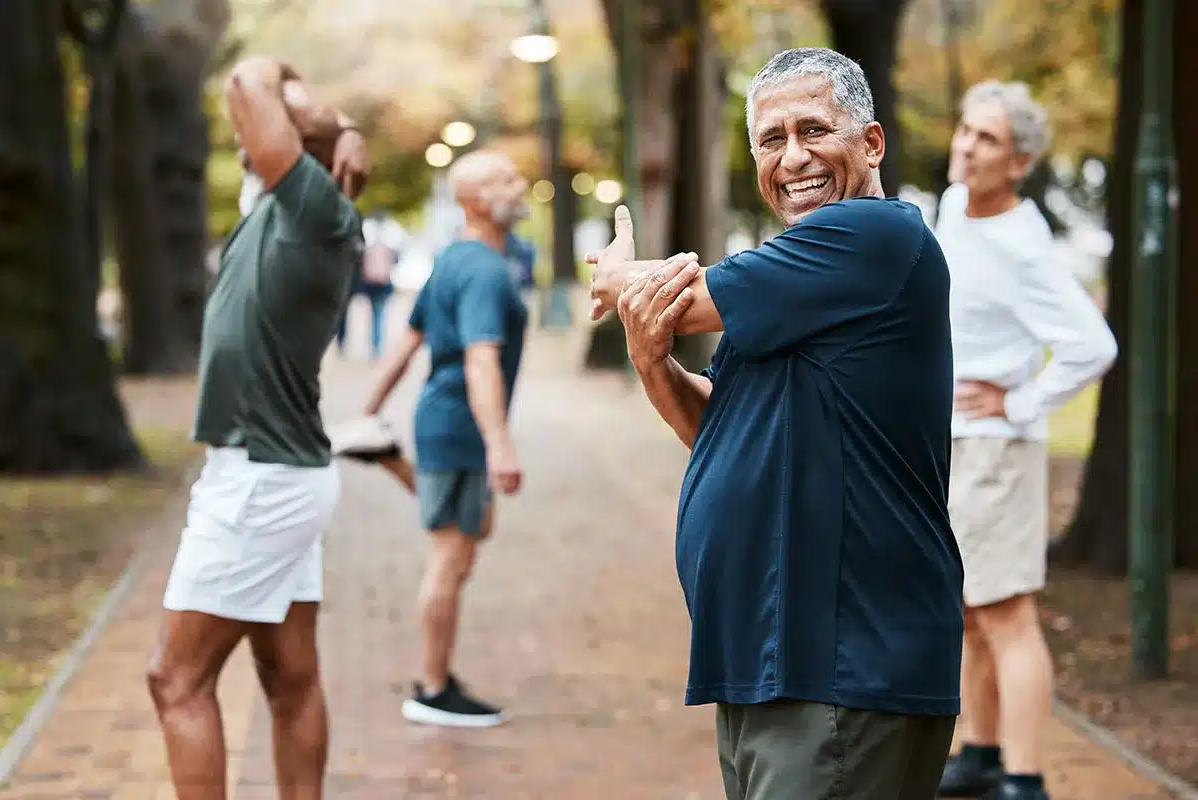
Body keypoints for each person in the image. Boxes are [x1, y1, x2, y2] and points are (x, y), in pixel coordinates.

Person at [589, 47, 963, 799]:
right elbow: (715, 426)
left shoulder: (875, 237)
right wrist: (650, 359)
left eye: (813, 130)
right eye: (770, 139)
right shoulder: (799, 277)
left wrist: (617, 278)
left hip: (846, 664)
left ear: (872, 143)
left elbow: (679, 301)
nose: (792, 157)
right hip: (770, 661)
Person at [146, 55, 368, 800]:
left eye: (283, 110)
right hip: (281, 473)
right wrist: (345, 127)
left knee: (176, 678)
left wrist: (282, 74)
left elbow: (244, 80)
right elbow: (263, 108)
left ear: (300, 147)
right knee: (288, 677)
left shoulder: (313, 212)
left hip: (260, 479)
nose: (255, 116)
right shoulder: (279, 200)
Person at [933, 81, 1117, 800]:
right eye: (964, 130)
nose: (965, 146)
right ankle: (980, 752)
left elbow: (1091, 345)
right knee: (972, 610)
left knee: (1008, 615)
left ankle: (1025, 776)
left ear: (1019, 162)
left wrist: (1020, 403)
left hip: (996, 451)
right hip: (954, 441)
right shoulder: (955, 206)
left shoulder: (1023, 246)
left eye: (986, 140)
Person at [361, 148, 529, 727]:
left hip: (446, 423)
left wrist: (368, 410)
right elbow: (482, 362)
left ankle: (386, 458)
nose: (519, 182)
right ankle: (432, 689)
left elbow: (407, 342)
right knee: (452, 557)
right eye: (505, 179)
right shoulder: (482, 269)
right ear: (478, 201)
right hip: (460, 426)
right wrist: (500, 444)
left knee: (475, 526)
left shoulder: (454, 260)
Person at [335, 211, 400, 360]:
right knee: (378, 315)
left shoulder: (363, 243)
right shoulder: (389, 242)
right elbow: (395, 261)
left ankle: (345, 343)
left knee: (366, 315)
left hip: (366, 283)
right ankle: (376, 347)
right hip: (382, 284)